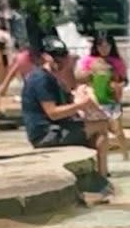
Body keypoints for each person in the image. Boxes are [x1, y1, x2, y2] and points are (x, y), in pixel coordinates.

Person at [20, 40, 112, 188]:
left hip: (57, 128)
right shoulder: (41, 79)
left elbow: (70, 101)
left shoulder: (53, 78)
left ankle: (100, 176)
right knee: (101, 125)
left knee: (100, 133)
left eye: (63, 55)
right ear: (46, 56)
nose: (61, 59)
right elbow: (53, 113)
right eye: (56, 56)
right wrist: (80, 106)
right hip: (45, 134)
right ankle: (102, 176)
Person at [80, 31, 130, 157]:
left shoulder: (117, 62)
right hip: (95, 102)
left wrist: (119, 85)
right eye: (101, 46)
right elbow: (81, 78)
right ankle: (101, 159)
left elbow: (125, 80)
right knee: (99, 133)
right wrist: (90, 73)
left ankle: (126, 156)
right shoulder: (88, 61)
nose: (104, 49)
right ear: (96, 46)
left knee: (118, 131)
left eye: (107, 46)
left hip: (112, 101)